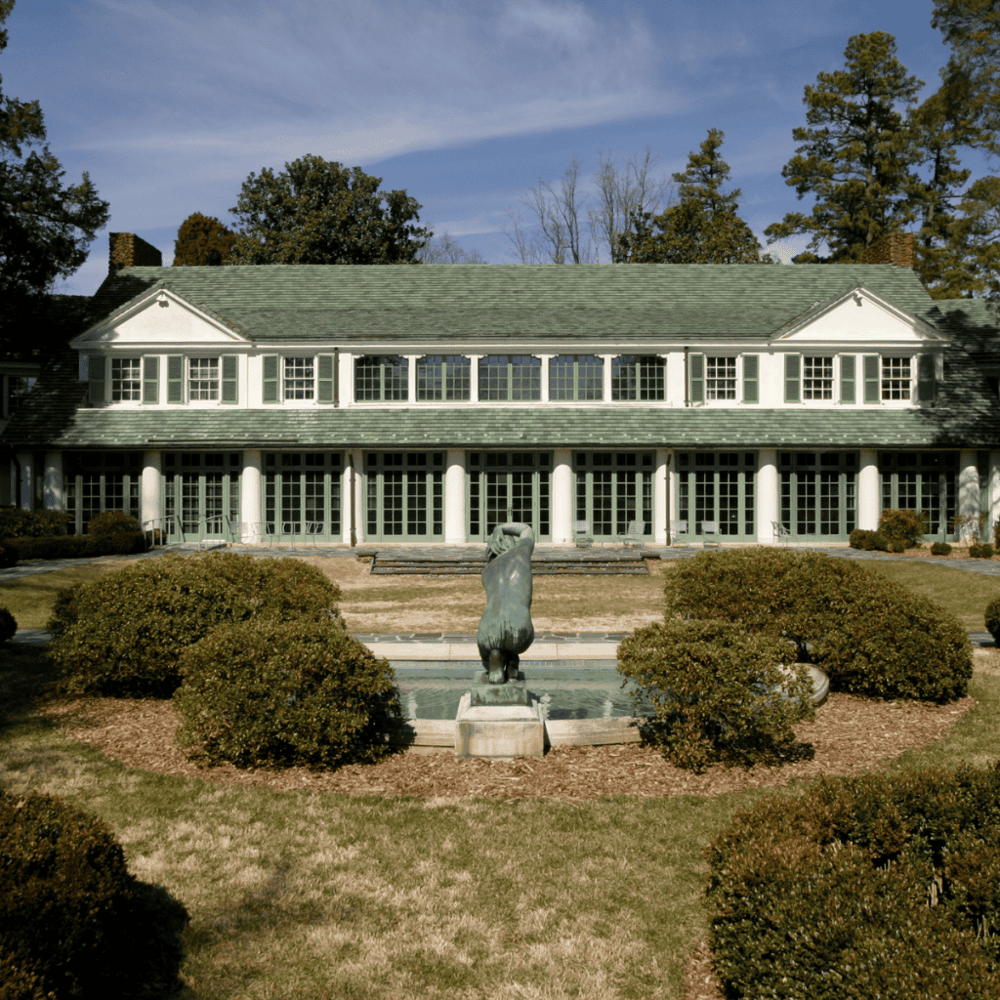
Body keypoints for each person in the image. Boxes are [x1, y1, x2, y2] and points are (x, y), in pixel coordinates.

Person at [476, 522, 535, 683]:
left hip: (489, 631)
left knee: (490, 649)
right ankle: (512, 662)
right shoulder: (521, 553)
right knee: (513, 634)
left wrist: (494, 535)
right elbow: (526, 530)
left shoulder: (487, 572)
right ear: (512, 544)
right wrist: (499, 528)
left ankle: (494, 660)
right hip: (521, 629)